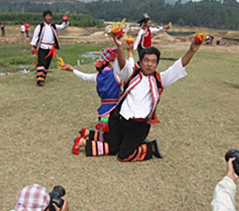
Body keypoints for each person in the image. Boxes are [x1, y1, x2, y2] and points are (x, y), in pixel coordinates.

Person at [73, 34, 202, 162]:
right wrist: (120, 47)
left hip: (139, 126)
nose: (149, 64)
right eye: (146, 60)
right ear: (140, 62)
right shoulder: (132, 74)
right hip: (121, 120)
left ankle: (150, 148)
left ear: (157, 64)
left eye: (153, 62)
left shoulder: (159, 80)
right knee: (113, 146)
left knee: (123, 156)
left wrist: (191, 51)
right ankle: (90, 135)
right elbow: (123, 65)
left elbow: (178, 67)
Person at [62, 46, 130, 154]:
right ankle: (84, 143)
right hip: (114, 111)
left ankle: (88, 133)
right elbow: (129, 71)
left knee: (110, 135)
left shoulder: (99, 76)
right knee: (113, 146)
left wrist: (72, 70)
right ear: (111, 62)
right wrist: (130, 55)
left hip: (103, 111)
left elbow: (85, 76)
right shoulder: (117, 75)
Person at [30, 11, 69, 86]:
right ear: (44, 17)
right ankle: (39, 79)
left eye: (50, 16)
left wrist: (66, 21)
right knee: (42, 63)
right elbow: (35, 36)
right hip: (42, 47)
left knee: (47, 64)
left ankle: (43, 78)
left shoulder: (53, 27)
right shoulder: (40, 26)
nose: (49, 18)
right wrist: (32, 46)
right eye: (47, 16)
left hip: (50, 48)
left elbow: (63, 26)